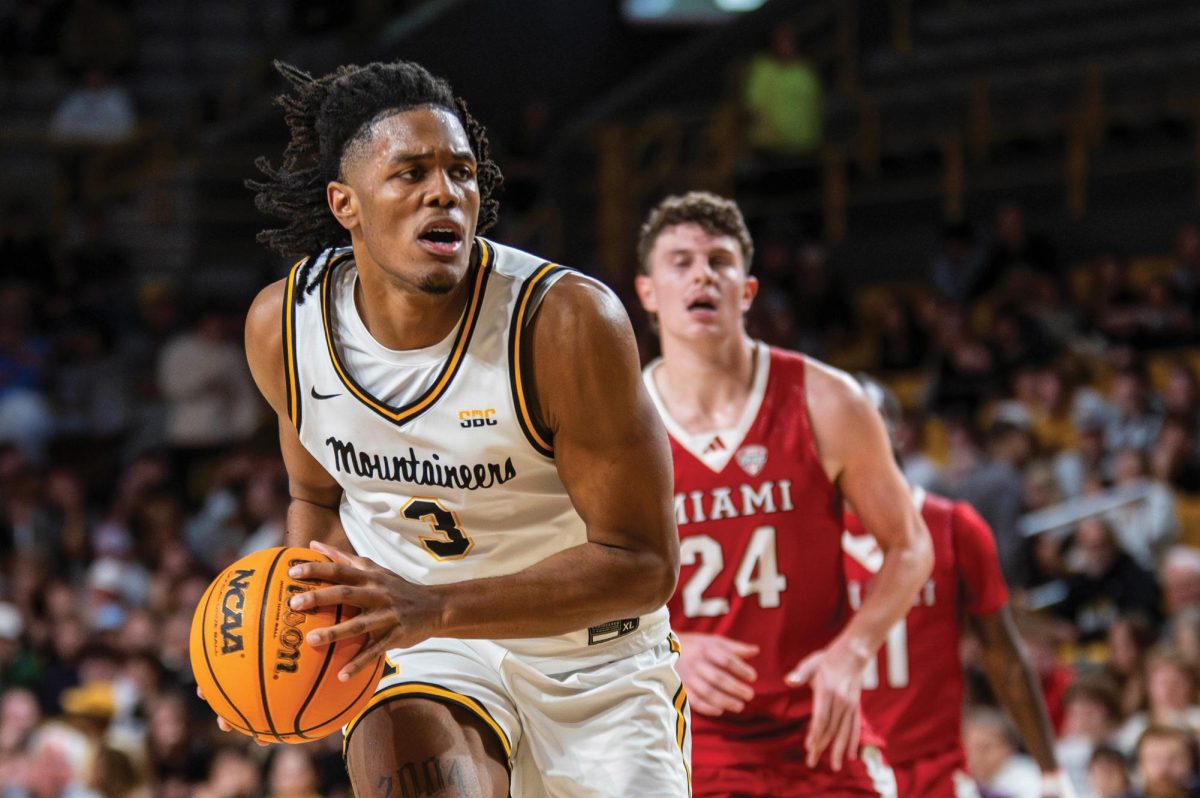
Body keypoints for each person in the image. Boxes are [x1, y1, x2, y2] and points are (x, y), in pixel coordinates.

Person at [237, 60, 687, 797]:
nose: (445, 191)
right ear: (344, 203)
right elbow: (315, 502)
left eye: (461, 171)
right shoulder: (282, 327)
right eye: (410, 173)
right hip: (424, 652)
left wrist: (436, 604)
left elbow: (644, 563)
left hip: (592, 658)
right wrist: (291, 659)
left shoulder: (565, 323)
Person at [633, 191, 934, 796]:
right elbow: (584, 578)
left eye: (719, 261)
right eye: (682, 261)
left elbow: (910, 547)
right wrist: (667, 646)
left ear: (746, 291)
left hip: (818, 731)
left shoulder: (827, 400)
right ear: (647, 293)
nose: (702, 275)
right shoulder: (619, 423)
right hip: (686, 731)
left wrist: (852, 653)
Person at [843, 376, 1070, 798]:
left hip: (934, 770)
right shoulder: (797, 533)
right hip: (836, 773)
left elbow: (1003, 654)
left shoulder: (953, 525)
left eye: (867, 418)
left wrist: (1051, 771)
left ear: (896, 431)